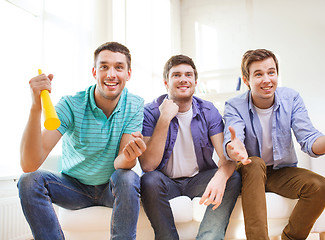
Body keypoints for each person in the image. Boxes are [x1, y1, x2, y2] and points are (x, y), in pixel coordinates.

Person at [223, 48, 325, 240]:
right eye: (258, 74)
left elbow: (309, 140)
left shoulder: (291, 98)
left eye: (271, 72)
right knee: (254, 164)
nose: (266, 79)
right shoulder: (234, 105)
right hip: (249, 172)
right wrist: (234, 147)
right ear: (246, 80)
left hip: (280, 172)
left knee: (319, 186)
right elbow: (233, 139)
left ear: (277, 74)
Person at [17, 42, 146, 240]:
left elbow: (121, 163)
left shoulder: (135, 104)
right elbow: (29, 164)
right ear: (95, 71)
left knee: (128, 177)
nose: (111, 74)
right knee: (28, 181)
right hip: (73, 188)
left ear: (128, 74)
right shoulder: (71, 105)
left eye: (119, 67)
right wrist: (36, 107)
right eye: (104, 67)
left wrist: (130, 157)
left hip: (110, 187)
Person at [139, 54, 241, 240]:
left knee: (232, 176)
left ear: (195, 81)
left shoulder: (208, 111)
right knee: (148, 180)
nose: (183, 79)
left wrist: (221, 174)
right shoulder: (151, 111)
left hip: (198, 181)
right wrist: (164, 118)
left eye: (188, 75)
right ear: (166, 83)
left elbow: (225, 159)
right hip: (166, 182)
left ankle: (208, 238)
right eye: (176, 75)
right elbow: (147, 166)